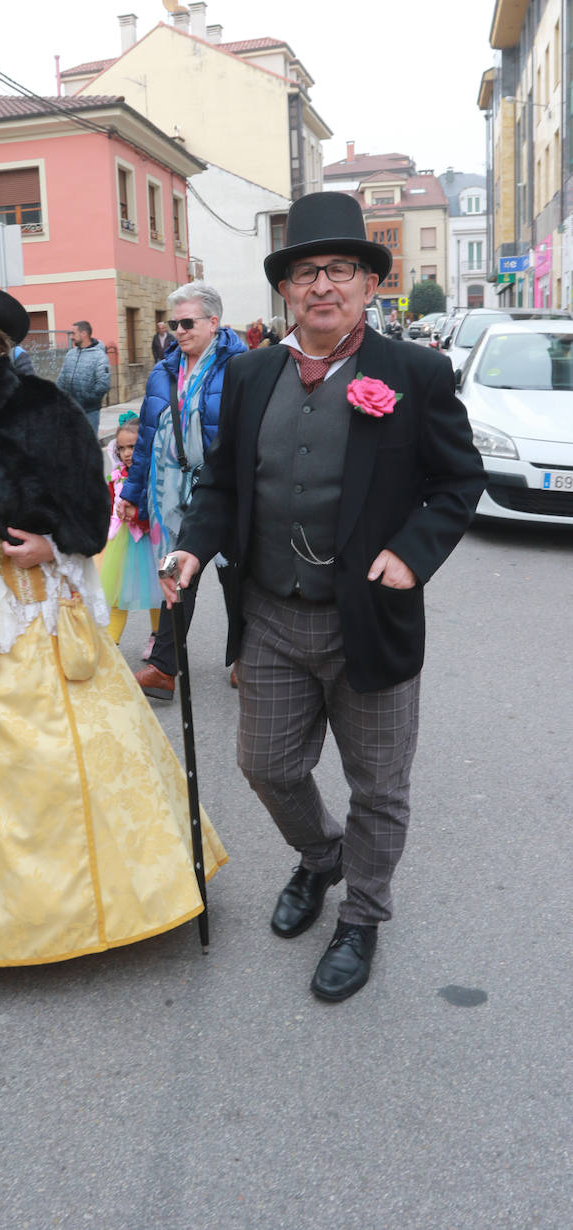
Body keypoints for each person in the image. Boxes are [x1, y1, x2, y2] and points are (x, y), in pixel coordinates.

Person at [162, 192, 486, 1001]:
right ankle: (321, 856)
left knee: (379, 785)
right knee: (265, 764)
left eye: (341, 269)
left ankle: (362, 916)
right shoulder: (249, 372)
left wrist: (414, 556)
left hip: (370, 618)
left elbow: (457, 481)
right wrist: (193, 545)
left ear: (370, 285)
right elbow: (224, 480)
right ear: (286, 291)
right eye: (306, 271)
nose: (323, 285)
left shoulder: (415, 372)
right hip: (270, 610)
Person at [0, 275, 226, 969]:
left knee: (75, 759)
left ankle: (102, 906)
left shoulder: (46, 409)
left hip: (39, 613)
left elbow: (89, 514)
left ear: (0, 342)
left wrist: (52, 544)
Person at [117, 281, 244, 699]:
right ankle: (163, 668)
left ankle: (244, 658)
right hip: (169, 492)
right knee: (174, 575)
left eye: (187, 322)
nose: (179, 331)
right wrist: (132, 495)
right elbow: (149, 439)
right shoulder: (164, 370)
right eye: (174, 324)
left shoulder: (242, 367)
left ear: (213, 321)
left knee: (236, 578)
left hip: (224, 491)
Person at [98, 413, 161, 647]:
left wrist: (139, 517)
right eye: (122, 448)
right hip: (122, 545)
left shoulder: (152, 475)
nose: (127, 453)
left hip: (148, 542)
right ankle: (110, 645)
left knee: (156, 594)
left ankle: (157, 637)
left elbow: (156, 509)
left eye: (133, 447)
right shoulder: (116, 476)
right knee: (117, 595)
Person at [56, 320, 110, 433]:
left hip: (89, 412)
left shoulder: (99, 356)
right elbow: (61, 379)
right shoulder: (70, 354)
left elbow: (103, 384)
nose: (71, 337)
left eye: (73, 333)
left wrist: (87, 398)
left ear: (84, 334)